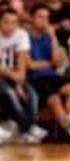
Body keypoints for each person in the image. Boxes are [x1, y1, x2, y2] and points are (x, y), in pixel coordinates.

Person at [27, 3, 70, 141]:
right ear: (32, 18)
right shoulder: (25, 37)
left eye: (47, 18)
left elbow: (56, 63)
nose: (44, 21)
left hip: (52, 75)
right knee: (54, 99)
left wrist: (53, 37)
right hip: (35, 79)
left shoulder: (49, 37)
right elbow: (29, 65)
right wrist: (46, 63)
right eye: (40, 17)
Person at [0, 8, 45, 143]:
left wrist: (20, 81)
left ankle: (27, 130)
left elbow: (22, 59)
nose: (10, 26)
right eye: (6, 22)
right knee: (9, 93)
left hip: (13, 73)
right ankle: (28, 128)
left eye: (14, 23)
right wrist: (13, 76)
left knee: (31, 94)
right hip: (3, 74)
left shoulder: (21, 34)